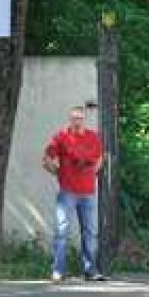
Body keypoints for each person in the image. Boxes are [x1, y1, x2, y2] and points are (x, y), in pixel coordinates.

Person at [43, 106, 105, 282]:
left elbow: (100, 157)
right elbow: (46, 159)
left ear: (84, 119)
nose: (77, 121)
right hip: (68, 192)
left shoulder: (93, 137)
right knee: (62, 231)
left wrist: (93, 173)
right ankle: (58, 271)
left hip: (88, 192)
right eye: (74, 118)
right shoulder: (61, 137)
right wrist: (58, 172)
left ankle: (90, 271)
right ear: (70, 119)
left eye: (80, 118)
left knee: (90, 232)